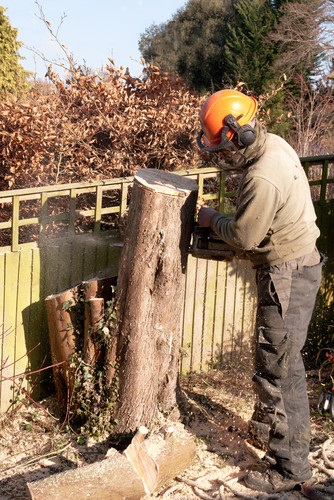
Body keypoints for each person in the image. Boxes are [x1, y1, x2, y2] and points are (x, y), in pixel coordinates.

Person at [196, 89, 324, 493]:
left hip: (285, 274)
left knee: (279, 370)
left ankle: (290, 469)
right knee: (284, 364)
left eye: (222, 146)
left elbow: (246, 236)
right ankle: (281, 440)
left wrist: (209, 217)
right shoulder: (277, 146)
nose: (220, 155)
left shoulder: (262, 175)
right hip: (299, 264)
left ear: (240, 133)